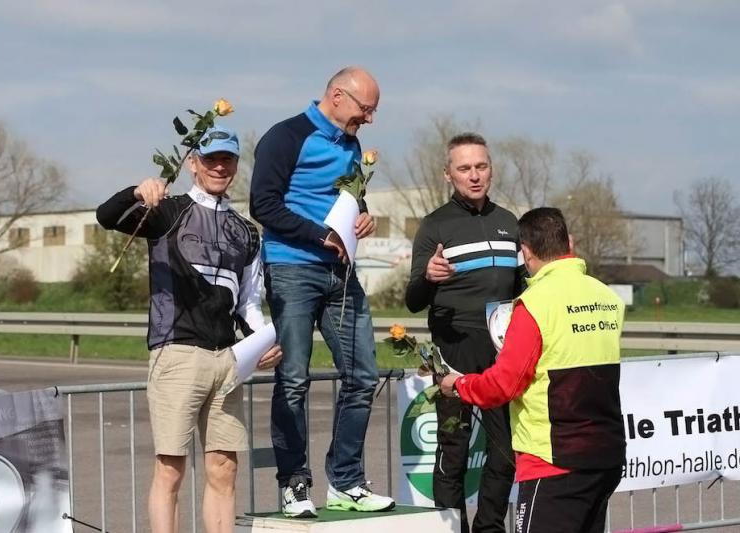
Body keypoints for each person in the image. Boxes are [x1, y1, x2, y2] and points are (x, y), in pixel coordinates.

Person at [96, 125, 282, 533]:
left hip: (228, 360)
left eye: (227, 159)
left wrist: (262, 341)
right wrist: (136, 192)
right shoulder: (168, 211)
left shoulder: (247, 230)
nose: (219, 167)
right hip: (177, 353)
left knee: (224, 468)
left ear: (236, 165)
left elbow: (249, 303)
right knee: (171, 469)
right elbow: (105, 216)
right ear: (193, 164)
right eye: (210, 159)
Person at [249, 66, 394, 517]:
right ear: (336, 96)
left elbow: (347, 200)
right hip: (292, 269)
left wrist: (362, 216)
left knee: (363, 376)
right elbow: (262, 204)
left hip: (341, 275)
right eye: (365, 109)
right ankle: (294, 484)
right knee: (293, 379)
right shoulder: (285, 136)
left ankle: (346, 482)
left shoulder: (351, 145)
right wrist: (319, 235)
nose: (369, 119)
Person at [440, 207, 626, 533]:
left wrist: (458, 385)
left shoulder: (534, 303)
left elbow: (504, 385)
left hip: (553, 460)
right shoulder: (606, 296)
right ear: (569, 243)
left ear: (525, 252)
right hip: (606, 453)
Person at [405, 133, 522, 533]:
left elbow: (522, 291)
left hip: (501, 350)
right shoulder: (435, 225)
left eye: (481, 166)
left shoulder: (509, 223)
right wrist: (428, 276)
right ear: (448, 175)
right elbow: (413, 301)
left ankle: (489, 528)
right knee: (454, 449)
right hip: (453, 348)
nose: (474, 175)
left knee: (505, 450)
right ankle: (452, 528)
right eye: (464, 168)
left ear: (491, 170)